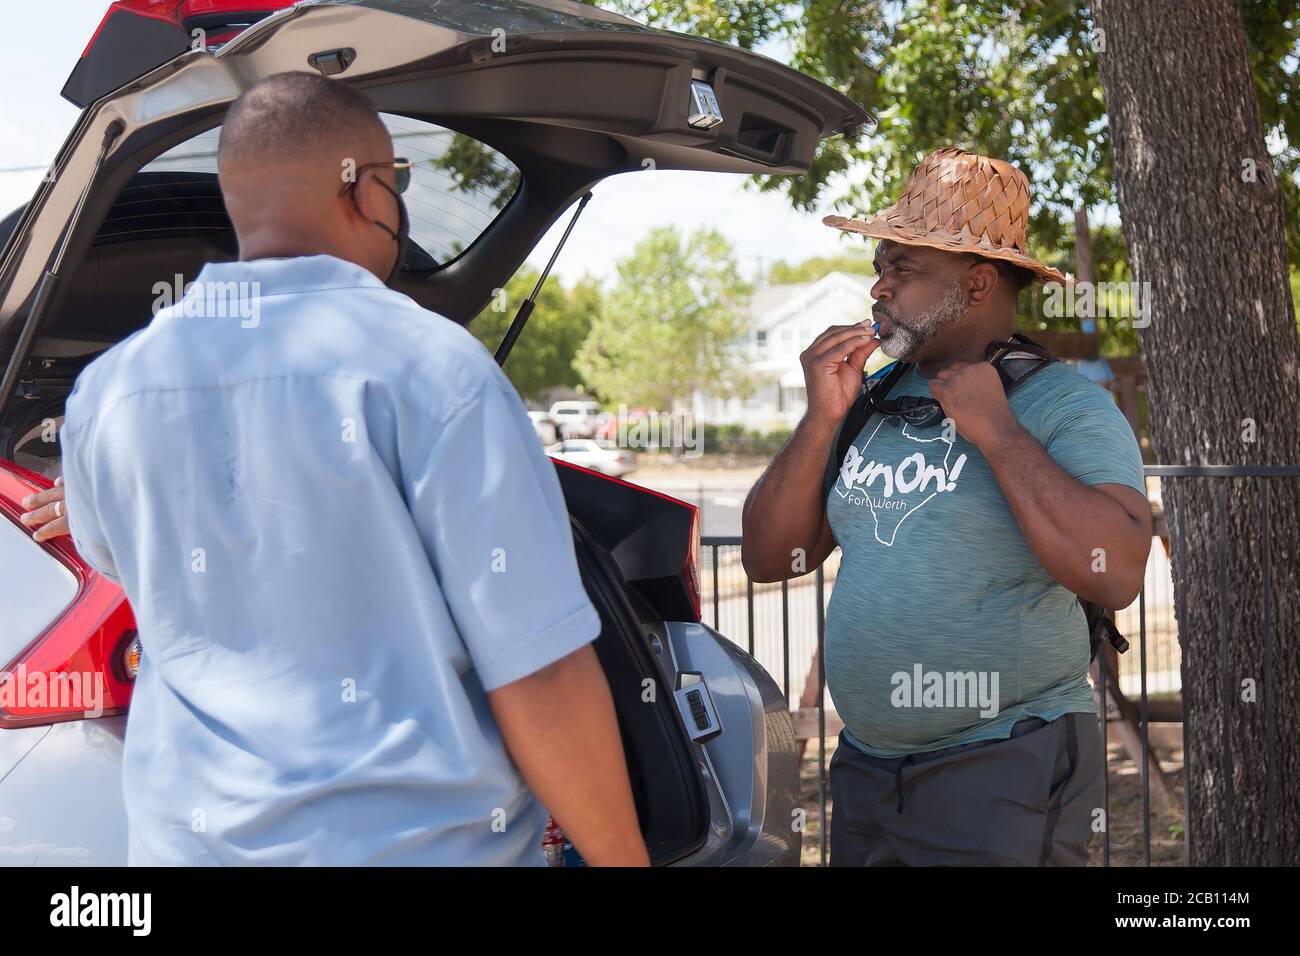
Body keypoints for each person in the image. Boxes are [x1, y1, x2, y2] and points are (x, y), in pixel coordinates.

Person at [35, 71, 648, 866]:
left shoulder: (108, 391)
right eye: (399, 185)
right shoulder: (435, 372)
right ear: (366, 191)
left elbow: (126, 565)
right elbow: (540, 671)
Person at [741, 147, 1152, 866]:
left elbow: (1115, 573)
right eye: (880, 266)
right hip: (869, 771)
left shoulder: (1062, 406)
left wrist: (997, 432)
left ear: (977, 282)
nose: (879, 287)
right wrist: (819, 420)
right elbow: (770, 558)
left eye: (903, 269)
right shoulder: (871, 398)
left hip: (1002, 768)